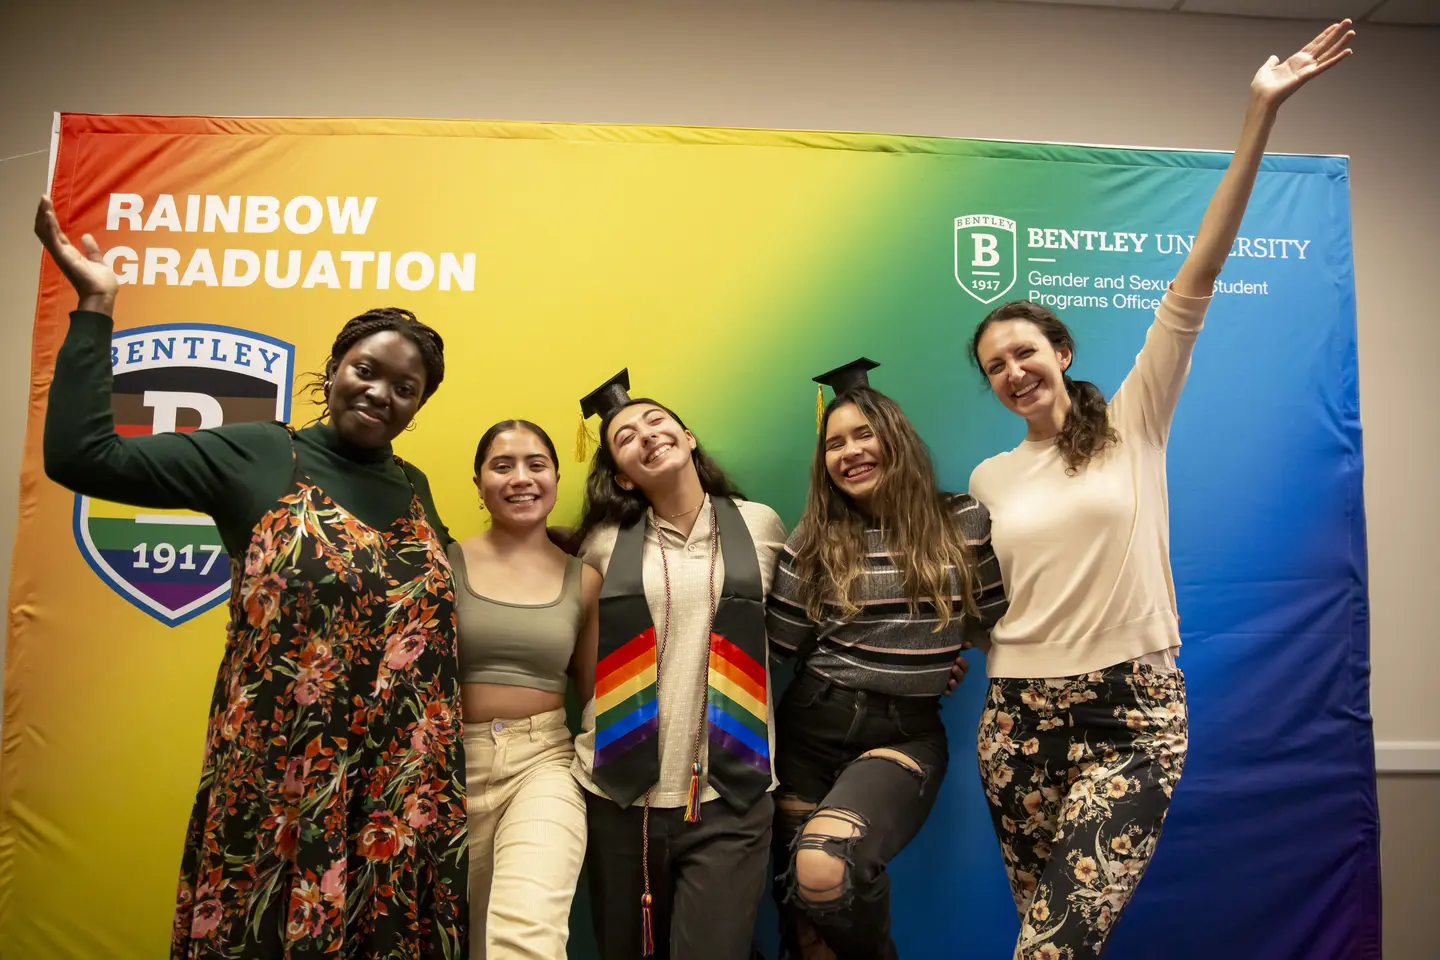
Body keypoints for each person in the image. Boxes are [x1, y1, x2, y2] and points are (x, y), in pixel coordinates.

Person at [966, 21, 1356, 959]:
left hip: (1133, 711)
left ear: (1061, 352)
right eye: (994, 367)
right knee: (1052, 936)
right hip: (1017, 717)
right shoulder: (988, 477)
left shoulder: (1135, 420)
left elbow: (1199, 273)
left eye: (1024, 352)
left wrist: (1260, 112)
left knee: (1052, 947)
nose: (1013, 372)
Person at [34, 195, 467, 959]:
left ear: (418, 406)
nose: (380, 392)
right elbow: (83, 456)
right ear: (334, 367)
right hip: (280, 783)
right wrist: (95, 307)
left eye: (406, 388)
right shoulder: (261, 454)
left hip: (399, 792)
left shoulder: (416, 488)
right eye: (366, 370)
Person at [765, 358, 1007, 960]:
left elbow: (995, 619)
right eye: (834, 444)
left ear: (895, 437)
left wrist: (939, 656)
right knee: (807, 932)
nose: (849, 452)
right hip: (808, 729)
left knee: (823, 868)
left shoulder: (963, 520)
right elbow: (773, 648)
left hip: (903, 736)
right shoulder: (813, 537)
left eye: (864, 434)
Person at [568, 370, 787, 960]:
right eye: (625, 437)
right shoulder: (603, 544)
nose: (645, 435)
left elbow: (805, 622)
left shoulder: (760, 524)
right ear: (621, 475)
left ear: (687, 437)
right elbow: (582, 662)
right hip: (621, 796)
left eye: (656, 421)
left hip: (731, 794)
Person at [450, 420, 600, 959]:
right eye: (502, 465)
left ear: (556, 477)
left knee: (526, 935)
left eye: (536, 465)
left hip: (543, 764)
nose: (521, 478)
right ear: (478, 482)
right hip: (448, 769)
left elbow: (594, 695)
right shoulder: (441, 562)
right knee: (459, 939)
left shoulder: (585, 579)